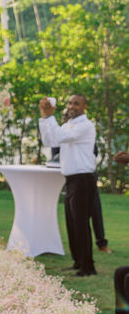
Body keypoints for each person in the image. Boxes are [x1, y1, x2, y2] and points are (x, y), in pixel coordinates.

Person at [39, 94, 97, 276]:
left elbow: (60, 136)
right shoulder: (68, 125)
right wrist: (44, 117)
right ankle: (78, 261)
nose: (72, 106)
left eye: (76, 103)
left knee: (81, 223)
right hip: (71, 179)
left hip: (83, 179)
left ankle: (88, 266)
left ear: (84, 106)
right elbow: (49, 141)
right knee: (71, 223)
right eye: (70, 103)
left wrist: (50, 117)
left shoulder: (86, 126)